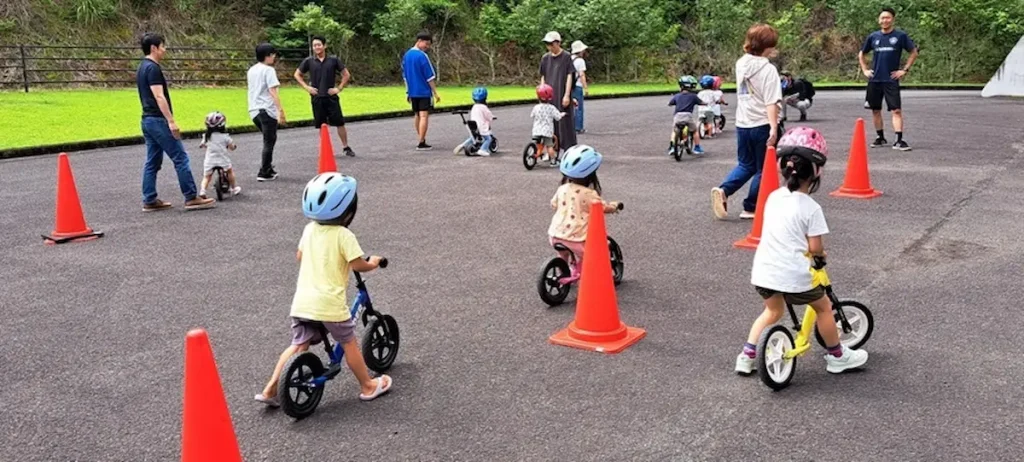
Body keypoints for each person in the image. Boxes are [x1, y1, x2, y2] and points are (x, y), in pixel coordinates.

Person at [734, 127, 868, 376]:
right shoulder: (811, 208)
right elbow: (815, 247)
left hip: (763, 273)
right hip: (794, 277)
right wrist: (820, 257)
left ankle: (747, 355)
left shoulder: (773, 197)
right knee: (824, 307)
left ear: (782, 168)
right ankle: (837, 355)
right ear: (817, 171)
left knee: (772, 311)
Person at [255, 173, 393, 407]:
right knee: (349, 342)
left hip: (302, 303)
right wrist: (374, 262)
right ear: (349, 210)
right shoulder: (344, 235)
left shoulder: (309, 230)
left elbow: (300, 256)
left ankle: (270, 389)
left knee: (298, 345)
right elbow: (357, 264)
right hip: (329, 305)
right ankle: (368, 385)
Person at [135, 32, 215, 212]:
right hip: (158, 119)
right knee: (180, 157)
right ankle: (191, 196)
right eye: (162, 46)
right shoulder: (153, 68)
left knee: (152, 160)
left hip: (146, 119)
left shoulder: (141, 67)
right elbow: (159, 96)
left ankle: (149, 198)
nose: (165, 50)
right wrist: (171, 121)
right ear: (154, 48)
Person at [711, 23, 783, 221]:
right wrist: (774, 127)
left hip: (743, 123)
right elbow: (771, 102)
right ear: (767, 46)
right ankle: (751, 206)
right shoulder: (768, 70)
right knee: (764, 167)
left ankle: (724, 190)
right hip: (762, 123)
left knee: (746, 164)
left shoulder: (741, 63)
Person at [548, 144, 621, 284]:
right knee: (599, 251)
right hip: (577, 239)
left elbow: (553, 204)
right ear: (591, 175)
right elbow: (602, 208)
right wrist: (615, 206)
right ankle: (606, 274)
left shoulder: (562, 189)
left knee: (564, 253)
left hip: (555, 235)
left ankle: (563, 270)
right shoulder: (589, 194)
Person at [859, 7, 919, 151]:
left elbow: (913, 52)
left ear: (893, 19)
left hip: (890, 79)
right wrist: (865, 70)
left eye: (887, 18)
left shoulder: (900, 36)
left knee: (896, 110)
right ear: (879, 20)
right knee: (875, 109)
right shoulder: (873, 37)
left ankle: (899, 140)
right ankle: (880, 137)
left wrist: (904, 70)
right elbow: (862, 54)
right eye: (882, 18)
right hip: (875, 79)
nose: (884, 20)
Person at [295, 36, 356, 157]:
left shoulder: (333, 60)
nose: (316, 47)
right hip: (317, 97)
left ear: (324, 46)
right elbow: (297, 74)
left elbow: (346, 74)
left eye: (319, 45)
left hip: (330, 96)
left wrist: (339, 88)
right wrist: (307, 87)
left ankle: (346, 147)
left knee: (339, 122)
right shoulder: (309, 61)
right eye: (314, 45)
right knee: (322, 125)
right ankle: (326, 149)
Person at [247, 42, 286, 182]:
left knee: (268, 139)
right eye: (273, 54)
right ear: (267, 56)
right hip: (266, 109)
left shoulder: (252, 70)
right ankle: (264, 171)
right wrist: (280, 110)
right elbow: (273, 91)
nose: (274, 57)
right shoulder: (269, 70)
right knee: (269, 141)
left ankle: (267, 167)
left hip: (254, 110)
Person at [402, 31, 442, 151]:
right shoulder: (422, 56)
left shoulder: (406, 55)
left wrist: (408, 91)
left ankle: (421, 138)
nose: (427, 47)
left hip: (413, 91)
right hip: (423, 91)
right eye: (427, 44)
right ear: (419, 41)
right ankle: (421, 141)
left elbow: (405, 76)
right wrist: (435, 92)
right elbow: (429, 77)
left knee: (417, 115)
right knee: (424, 115)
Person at [539, 31, 577, 153]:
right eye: (548, 44)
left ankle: (568, 149)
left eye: (552, 44)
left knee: (565, 122)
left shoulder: (566, 57)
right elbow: (543, 76)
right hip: (549, 94)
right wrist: (541, 91)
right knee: (549, 122)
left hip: (562, 92)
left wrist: (567, 95)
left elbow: (569, 75)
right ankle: (552, 149)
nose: (550, 47)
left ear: (558, 43)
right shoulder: (545, 58)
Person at [197, 111, 240, 198]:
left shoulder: (206, 136)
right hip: (222, 159)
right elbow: (231, 146)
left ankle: (202, 191)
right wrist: (233, 147)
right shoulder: (225, 137)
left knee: (207, 177)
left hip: (210, 160)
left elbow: (203, 144)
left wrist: (202, 145)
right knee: (229, 171)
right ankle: (234, 188)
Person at [668, 75, 705, 156]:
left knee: (674, 130)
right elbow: (702, 103)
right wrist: (705, 103)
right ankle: (697, 147)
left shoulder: (677, 95)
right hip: (688, 116)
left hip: (677, 116)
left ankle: (672, 147)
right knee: (694, 131)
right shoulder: (693, 96)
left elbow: (670, 103)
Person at [453, 86, 495, 156]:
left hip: (473, 126)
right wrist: (492, 117)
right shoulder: (484, 107)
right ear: (485, 98)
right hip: (481, 127)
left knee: (473, 137)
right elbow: (488, 115)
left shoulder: (474, 107)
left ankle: (463, 145)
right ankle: (482, 150)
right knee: (488, 139)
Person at [531, 84, 566, 165]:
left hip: (536, 130)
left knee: (538, 144)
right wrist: (562, 114)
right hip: (547, 131)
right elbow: (558, 117)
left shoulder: (536, 107)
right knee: (549, 146)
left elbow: (532, 115)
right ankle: (553, 161)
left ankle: (535, 157)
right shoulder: (551, 108)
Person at [570, 40, 590, 134]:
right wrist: (585, 88)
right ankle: (578, 127)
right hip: (577, 86)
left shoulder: (569, 59)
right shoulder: (580, 61)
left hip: (569, 86)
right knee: (579, 107)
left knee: (570, 107)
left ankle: (570, 126)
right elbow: (581, 75)